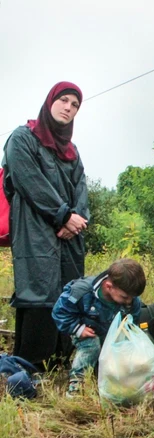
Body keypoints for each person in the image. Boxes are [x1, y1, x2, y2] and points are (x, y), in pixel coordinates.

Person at [2, 82, 89, 371]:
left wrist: (74, 220)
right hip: (34, 230)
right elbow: (29, 182)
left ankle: (60, 361)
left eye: (75, 104)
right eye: (63, 100)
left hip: (69, 234)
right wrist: (63, 215)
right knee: (38, 290)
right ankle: (30, 364)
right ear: (50, 102)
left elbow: (81, 189)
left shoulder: (72, 150)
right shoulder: (22, 138)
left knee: (70, 289)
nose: (68, 107)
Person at [52, 259, 145, 397]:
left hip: (113, 334)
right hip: (87, 332)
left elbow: (133, 320)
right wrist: (78, 329)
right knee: (92, 346)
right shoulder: (81, 292)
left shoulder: (130, 299)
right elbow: (60, 312)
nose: (129, 301)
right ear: (108, 286)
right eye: (125, 297)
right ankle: (77, 382)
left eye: (132, 298)